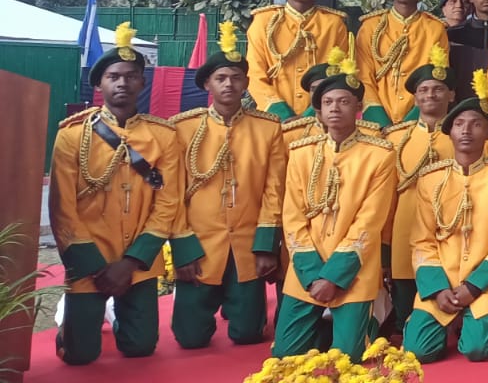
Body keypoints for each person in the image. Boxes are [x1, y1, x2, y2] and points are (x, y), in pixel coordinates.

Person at [50, 24, 181, 365]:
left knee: (140, 347)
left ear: (142, 82)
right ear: (99, 84)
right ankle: (70, 327)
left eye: (131, 76)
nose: (122, 82)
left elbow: (168, 203)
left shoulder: (164, 136)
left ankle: (111, 314)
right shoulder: (72, 135)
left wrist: (131, 262)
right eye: (113, 76)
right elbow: (62, 208)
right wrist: (97, 267)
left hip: (138, 259)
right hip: (89, 258)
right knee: (80, 356)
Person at [169, 22, 286, 350]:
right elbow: (171, 195)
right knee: (190, 339)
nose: (229, 84)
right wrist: (183, 249)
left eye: (236, 78)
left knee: (248, 335)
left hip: (247, 245)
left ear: (246, 84)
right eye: (220, 78)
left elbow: (274, 191)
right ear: (207, 83)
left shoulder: (268, 128)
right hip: (200, 245)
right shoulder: (183, 129)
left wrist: (266, 246)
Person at [273, 57, 398, 357]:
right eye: (328, 102)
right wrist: (314, 275)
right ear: (318, 109)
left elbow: (369, 222)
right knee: (284, 356)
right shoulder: (302, 153)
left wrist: (333, 277)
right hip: (306, 269)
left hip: (354, 271)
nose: (335, 108)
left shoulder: (379, 155)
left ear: (358, 107)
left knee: (347, 358)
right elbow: (292, 217)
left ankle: (374, 319)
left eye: (344, 101)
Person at [404, 75, 488, 363]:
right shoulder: (431, 179)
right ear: (450, 133)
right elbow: (421, 240)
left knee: (477, 350)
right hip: (442, 277)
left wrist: (473, 286)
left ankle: (470, 325)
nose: (467, 131)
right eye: (459, 124)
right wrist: (437, 288)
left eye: (476, 124)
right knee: (417, 351)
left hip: (485, 280)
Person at [382, 47, 457, 335]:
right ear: (415, 98)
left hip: (450, 225)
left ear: (451, 95)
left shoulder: (463, 133)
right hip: (406, 225)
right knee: (405, 298)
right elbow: (386, 196)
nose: (430, 95)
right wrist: (384, 245)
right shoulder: (396, 138)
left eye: (438, 89)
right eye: (423, 90)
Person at [249, 0, 349, 120]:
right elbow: (254, 73)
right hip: (272, 117)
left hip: (320, 118)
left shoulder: (334, 24)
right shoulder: (263, 22)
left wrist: (312, 113)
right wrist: (279, 111)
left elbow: (338, 73)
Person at [356, 0, 449, 126]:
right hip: (376, 118)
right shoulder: (370, 27)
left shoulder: (435, 28)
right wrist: (378, 118)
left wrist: (412, 119)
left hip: (420, 119)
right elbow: (363, 76)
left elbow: (437, 77)